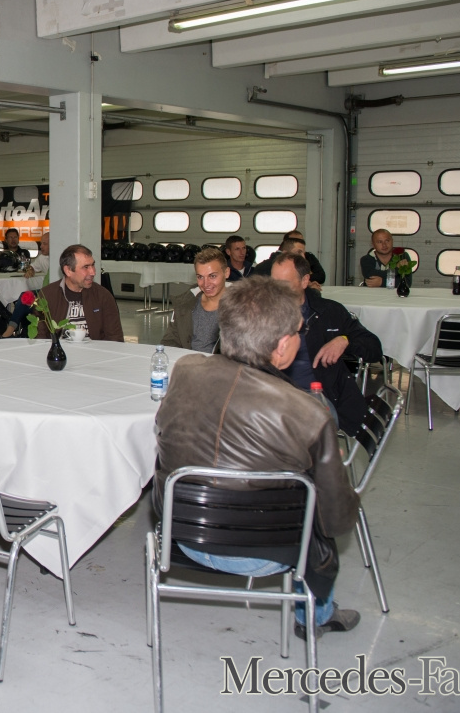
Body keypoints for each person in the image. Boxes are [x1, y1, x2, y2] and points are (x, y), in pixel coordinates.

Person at [154, 276, 362, 639]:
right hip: (265, 552)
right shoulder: (308, 412)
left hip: (182, 536)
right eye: (298, 332)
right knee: (313, 506)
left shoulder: (184, 370)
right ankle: (316, 616)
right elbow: (336, 519)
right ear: (281, 347)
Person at [270, 252, 384, 438]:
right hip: (273, 396)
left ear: (305, 281)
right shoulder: (261, 314)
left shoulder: (328, 312)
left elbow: (374, 348)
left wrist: (344, 340)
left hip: (318, 398)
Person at [34, 244, 124, 341]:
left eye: (93, 265)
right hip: (60, 349)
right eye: (86, 267)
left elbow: (115, 337)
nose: (93, 272)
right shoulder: (47, 295)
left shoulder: (103, 296)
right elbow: (40, 337)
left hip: (94, 350)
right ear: (68, 270)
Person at [161, 247, 230, 353]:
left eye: (212, 276)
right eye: (200, 277)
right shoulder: (184, 304)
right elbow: (170, 340)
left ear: (226, 273)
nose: (206, 284)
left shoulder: (242, 309)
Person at [4, 233, 53, 337]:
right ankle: (14, 330)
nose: (41, 246)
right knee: (25, 297)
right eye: (41, 243)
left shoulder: (60, 259)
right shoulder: (42, 258)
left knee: (25, 299)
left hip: (55, 293)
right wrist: (30, 270)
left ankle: (11, 331)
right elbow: (32, 267)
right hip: (45, 292)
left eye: (44, 244)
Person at [252, 235, 320, 287]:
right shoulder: (267, 268)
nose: (303, 257)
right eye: (299, 252)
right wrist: (311, 289)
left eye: (304, 253)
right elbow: (286, 291)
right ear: (285, 253)